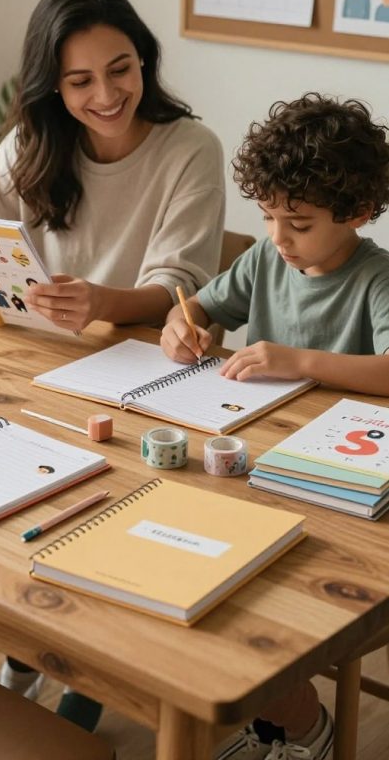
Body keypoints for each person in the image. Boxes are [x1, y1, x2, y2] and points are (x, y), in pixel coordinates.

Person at [0, 0, 226, 728]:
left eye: (121, 69)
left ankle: (80, 674)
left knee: (94, 515)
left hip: (147, 384)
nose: (106, 94)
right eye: (79, 81)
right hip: (34, 373)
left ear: (144, 60)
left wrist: (101, 303)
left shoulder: (189, 149)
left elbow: (181, 289)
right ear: (52, 86)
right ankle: (31, 651)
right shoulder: (30, 144)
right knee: (8, 510)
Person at [161, 92, 389, 760]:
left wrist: (297, 361)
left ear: (358, 212)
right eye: (266, 217)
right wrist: (185, 327)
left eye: (299, 221)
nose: (278, 238)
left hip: (340, 482)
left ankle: (299, 726)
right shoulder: (265, 261)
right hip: (255, 461)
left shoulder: (375, 278)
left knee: (266, 606)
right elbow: (196, 309)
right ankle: (263, 719)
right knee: (201, 578)